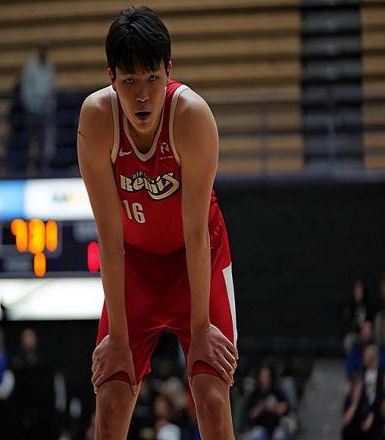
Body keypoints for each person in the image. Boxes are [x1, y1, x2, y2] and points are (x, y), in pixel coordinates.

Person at [77, 6, 238, 439]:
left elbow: (196, 234)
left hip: (196, 260)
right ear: (111, 78)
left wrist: (201, 330)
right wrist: (119, 340)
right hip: (134, 265)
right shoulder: (97, 119)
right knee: (111, 401)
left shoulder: (192, 116)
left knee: (211, 397)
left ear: (169, 70)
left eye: (152, 78)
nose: (142, 96)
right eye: (129, 81)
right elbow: (110, 239)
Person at [20, 43, 56, 172]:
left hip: (45, 109)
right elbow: (25, 88)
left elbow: (51, 88)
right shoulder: (30, 66)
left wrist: (49, 106)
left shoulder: (49, 66)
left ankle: (43, 166)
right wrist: (31, 106)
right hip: (32, 108)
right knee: (29, 138)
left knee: (43, 140)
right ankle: (27, 166)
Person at [245, 366, 290, 440]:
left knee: (280, 435)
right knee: (256, 434)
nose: (265, 379)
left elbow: (285, 407)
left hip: (276, 426)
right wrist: (261, 407)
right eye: (263, 376)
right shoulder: (255, 393)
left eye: (267, 376)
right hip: (260, 427)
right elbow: (250, 415)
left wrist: (274, 407)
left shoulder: (277, 390)